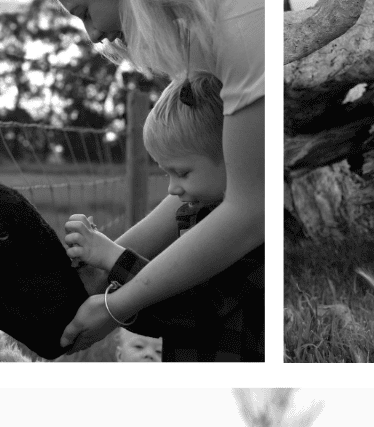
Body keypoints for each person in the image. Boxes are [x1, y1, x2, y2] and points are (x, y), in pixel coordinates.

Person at [40, 0, 264, 358]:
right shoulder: (208, 22)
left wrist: (118, 303)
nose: (94, 34)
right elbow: (206, 181)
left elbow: (249, 209)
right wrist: (102, 264)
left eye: (84, 10)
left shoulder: (244, 7)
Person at [65, 72, 261, 361]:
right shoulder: (197, 215)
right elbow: (162, 308)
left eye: (182, 172)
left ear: (233, 154)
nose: (172, 188)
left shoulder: (251, 239)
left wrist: (112, 258)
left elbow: (189, 309)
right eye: (166, 173)